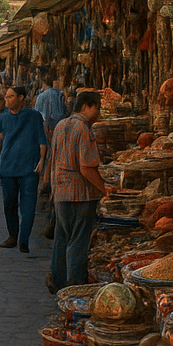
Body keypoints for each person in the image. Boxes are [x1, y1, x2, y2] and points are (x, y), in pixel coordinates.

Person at [49, 90, 111, 291]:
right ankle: (74, 285)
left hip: (60, 191)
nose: (99, 113)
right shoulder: (83, 129)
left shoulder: (60, 125)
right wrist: (104, 190)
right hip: (80, 194)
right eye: (98, 108)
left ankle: (58, 280)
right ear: (86, 106)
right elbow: (85, 167)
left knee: (62, 237)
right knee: (78, 240)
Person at [0, 84, 46, 254]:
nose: (7, 100)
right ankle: (13, 235)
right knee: (9, 205)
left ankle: (24, 239)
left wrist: (42, 160)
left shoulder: (34, 116)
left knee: (28, 206)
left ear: (21, 98)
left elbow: (42, 141)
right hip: (7, 169)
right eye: (6, 96)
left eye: (10, 96)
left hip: (29, 169)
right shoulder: (3, 118)